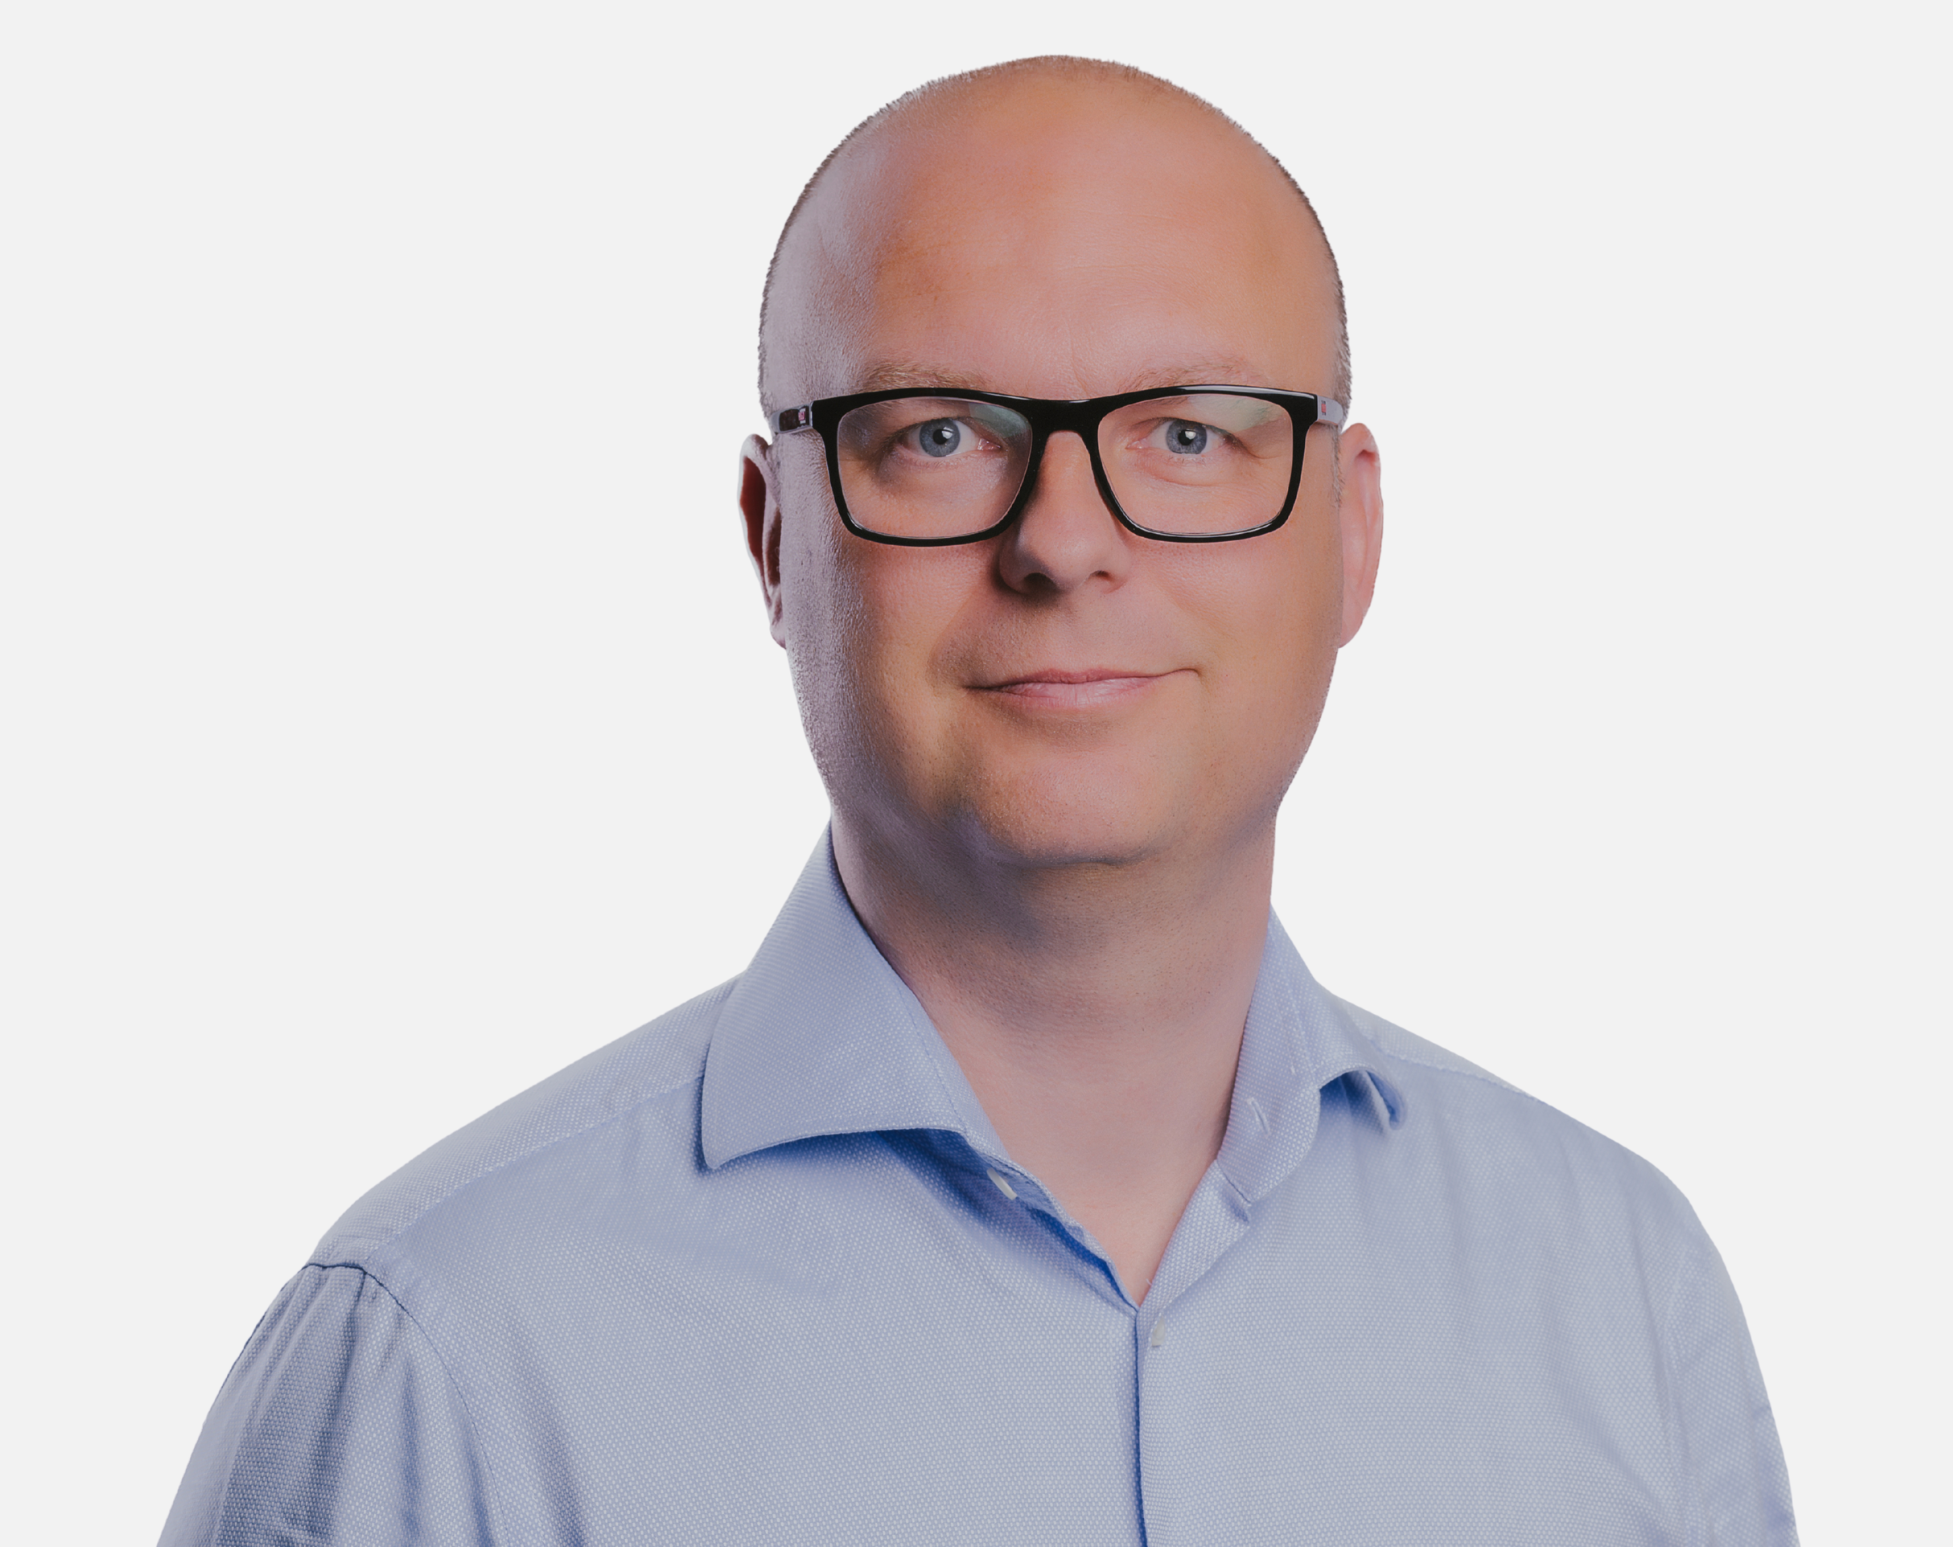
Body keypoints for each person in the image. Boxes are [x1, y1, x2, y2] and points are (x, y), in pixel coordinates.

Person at [161, 56, 1797, 1545]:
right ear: (775, 539)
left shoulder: (1626, 1296)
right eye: (937, 434)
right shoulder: (442, 1363)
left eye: (1189, 433)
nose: (1065, 540)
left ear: (1351, 534)